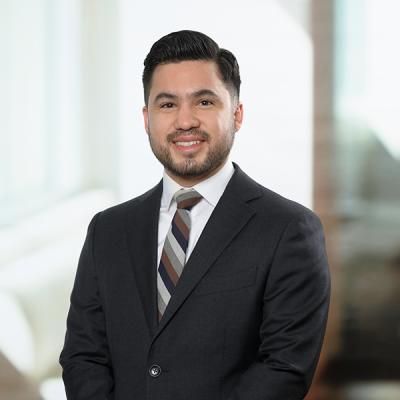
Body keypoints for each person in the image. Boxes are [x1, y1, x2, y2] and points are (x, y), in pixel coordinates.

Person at [60, 30, 330, 400]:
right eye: (167, 105)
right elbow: (83, 357)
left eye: (204, 102)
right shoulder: (107, 230)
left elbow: (284, 369)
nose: (185, 121)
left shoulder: (289, 230)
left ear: (236, 114)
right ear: (147, 118)